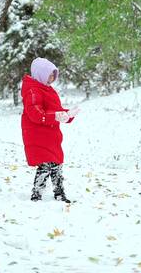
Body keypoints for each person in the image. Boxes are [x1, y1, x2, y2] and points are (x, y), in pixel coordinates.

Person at [20, 57, 80, 203]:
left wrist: (67, 114)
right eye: (49, 75)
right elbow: (35, 114)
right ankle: (37, 193)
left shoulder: (48, 90)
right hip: (38, 135)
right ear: (40, 74)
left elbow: (55, 111)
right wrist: (57, 116)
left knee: (56, 164)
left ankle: (59, 193)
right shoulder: (33, 90)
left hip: (51, 134)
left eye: (54, 75)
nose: (52, 78)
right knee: (46, 164)